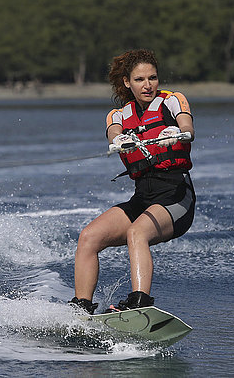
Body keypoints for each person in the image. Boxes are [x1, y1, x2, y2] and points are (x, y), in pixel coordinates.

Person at [69, 49, 196, 314]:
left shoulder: (172, 101)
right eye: (140, 79)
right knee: (89, 237)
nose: (147, 85)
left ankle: (140, 303)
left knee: (136, 232)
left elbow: (188, 127)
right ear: (127, 82)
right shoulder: (118, 115)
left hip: (175, 196)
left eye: (152, 78)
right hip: (143, 197)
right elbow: (114, 131)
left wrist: (178, 132)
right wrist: (119, 140)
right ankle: (82, 308)